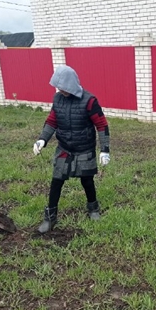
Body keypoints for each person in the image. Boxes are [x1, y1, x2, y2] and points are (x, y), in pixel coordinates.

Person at [33, 65, 110, 233]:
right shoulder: (58, 99)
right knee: (56, 181)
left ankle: (93, 209)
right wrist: (42, 140)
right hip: (64, 148)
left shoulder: (89, 101)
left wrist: (104, 149)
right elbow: (52, 121)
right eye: (59, 87)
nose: (61, 90)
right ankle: (50, 217)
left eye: (64, 87)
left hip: (84, 147)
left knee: (87, 180)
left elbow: (102, 125)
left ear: (71, 84)